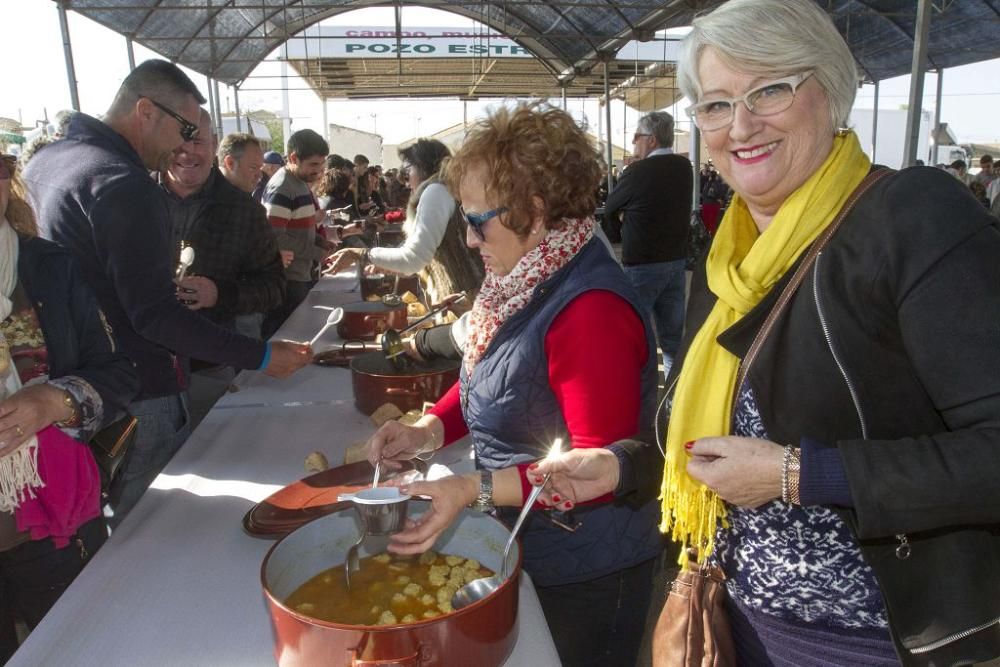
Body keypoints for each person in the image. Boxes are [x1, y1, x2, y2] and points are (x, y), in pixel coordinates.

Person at [533, 1, 1000, 664]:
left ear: (830, 90)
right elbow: (717, 444)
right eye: (716, 104)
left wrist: (798, 474)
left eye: (770, 89)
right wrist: (619, 464)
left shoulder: (912, 217)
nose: (740, 125)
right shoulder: (729, 255)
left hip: (868, 643)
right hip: (737, 624)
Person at [364, 103, 663, 667]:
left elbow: (591, 474)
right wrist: (427, 430)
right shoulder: (523, 278)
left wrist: (470, 490)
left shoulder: (590, 309)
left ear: (535, 208)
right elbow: (489, 380)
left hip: (587, 566)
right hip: (534, 541)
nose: (470, 241)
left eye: (478, 221)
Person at [23, 60, 312, 525]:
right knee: (151, 532)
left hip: (70, 387)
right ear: (145, 111)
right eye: (182, 128)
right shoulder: (124, 184)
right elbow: (156, 317)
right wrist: (260, 356)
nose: (184, 145)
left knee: (96, 528)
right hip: (138, 391)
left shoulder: (46, 162)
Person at [0, 154, 138, 662]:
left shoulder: (46, 266)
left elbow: (118, 373)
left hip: (53, 524)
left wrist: (55, 400)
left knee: (82, 650)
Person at [161, 114, 287, 424]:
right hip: (141, 379)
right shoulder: (131, 198)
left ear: (215, 147)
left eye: (198, 141)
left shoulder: (245, 211)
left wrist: (219, 293)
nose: (186, 151)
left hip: (210, 368)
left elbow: (273, 287)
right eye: (177, 141)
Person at [327, 139, 485, 310]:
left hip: (464, 299)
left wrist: (359, 254)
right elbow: (419, 256)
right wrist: (389, 265)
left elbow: (413, 258)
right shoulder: (444, 189)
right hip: (464, 297)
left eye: (408, 170)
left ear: (423, 167)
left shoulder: (436, 191)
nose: (406, 180)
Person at [604, 111, 693, 376]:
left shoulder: (638, 171)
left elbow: (610, 206)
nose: (634, 143)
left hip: (642, 264)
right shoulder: (684, 167)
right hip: (676, 262)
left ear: (651, 140)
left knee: (634, 335)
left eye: (637, 137)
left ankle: (641, 398)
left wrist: (620, 227)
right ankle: (674, 401)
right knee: (673, 339)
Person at [261, 129, 336, 339]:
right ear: (293, 158)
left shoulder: (300, 182)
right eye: (313, 165)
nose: (319, 171)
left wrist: (321, 241)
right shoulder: (282, 187)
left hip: (301, 275)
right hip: (288, 281)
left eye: (322, 165)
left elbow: (298, 225)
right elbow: (274, 237)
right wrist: (314, 251)